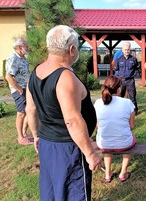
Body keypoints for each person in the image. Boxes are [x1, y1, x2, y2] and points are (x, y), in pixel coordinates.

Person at [25, 25, 103, 201]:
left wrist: (36, 136)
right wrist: (90, 154)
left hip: (47, 143)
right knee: (72, 193)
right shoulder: (65, 77)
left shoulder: (35, 72)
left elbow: (30, 109)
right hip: (68, 149)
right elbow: (72, 121)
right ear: (72, 49)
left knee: (53, 191)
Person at [94, 75, 136, 183]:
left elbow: (97, 125)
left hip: (103, 143)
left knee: (108, 142)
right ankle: (123, 173)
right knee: (130, 141)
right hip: (124, 143)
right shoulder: (127, 103)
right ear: (119, 89)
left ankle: (107, 174)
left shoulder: (98, 103)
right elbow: (131, 126)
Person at [5, 37, 32, 145]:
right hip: (19, 90)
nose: (28, 47)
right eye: (26, 45)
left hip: (26, 89)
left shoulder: (23, 58)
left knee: (28, 111)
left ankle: (24, 133)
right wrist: (19, 89)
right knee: (21, 113)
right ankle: (20, 137)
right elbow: (8, 76)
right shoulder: (13, 58)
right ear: (19, 47)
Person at [114, 42, 138, 114]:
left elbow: (136, 68)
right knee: (120, 96)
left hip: (130, 80)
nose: (127, 51)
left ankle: (134, 110)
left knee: (132, 96)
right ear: (122, 50)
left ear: (130, 49)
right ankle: (120, 110)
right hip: (121, 81)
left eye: (128, 49)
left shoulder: (134, 59)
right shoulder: (119, 60)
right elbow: (116, 69)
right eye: (125, 49)